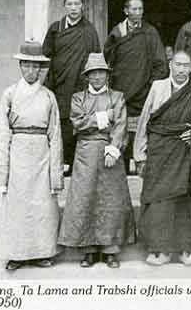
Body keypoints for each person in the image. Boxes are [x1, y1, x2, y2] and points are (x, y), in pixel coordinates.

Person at [134, 51, 191, 266]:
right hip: (161, 151)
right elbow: (145, 121)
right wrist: (139, 154)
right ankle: (160, 249)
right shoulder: (157, 87)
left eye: (185, 65)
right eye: (177, 64)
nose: (181, 70)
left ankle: (187, 249)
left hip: (188, 153)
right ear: (171, 65)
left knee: (189, 200)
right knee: (160, 200)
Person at [57, 53, 136, 268]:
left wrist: (113, 150)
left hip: (111, 152)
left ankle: (110, 249)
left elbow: (120, 124)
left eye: (101, 72)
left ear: (107, 75)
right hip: (85, 153)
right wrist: (104, 117)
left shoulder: (117, 97)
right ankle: (89, 249)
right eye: (93, 73)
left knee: (111, 200)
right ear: (87, 76)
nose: (97, 77)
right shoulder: (78, 98)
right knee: (86, 198)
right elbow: (78, 123)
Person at [0, 41, 63, 271]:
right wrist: (0, 177)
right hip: (19, 154)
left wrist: (56, 175)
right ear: (21, 67)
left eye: (36, 67)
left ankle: (42, 252)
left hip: (42, 153)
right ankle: (16, 253)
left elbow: (55, 134)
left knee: (42, 204)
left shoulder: (48, 96)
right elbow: (2, 135)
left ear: (41, 69)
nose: (32, 71)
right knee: (18, 204)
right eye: (27, 66)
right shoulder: (10, 94)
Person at [104, 0, 169, 174]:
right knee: (120, 137)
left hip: (144, 95)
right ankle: (120, 177)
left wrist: (149, 87)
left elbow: (161, 64)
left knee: (142, 138)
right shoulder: (117, 33)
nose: (138, 13)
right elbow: (108, 62)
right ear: (126, 11)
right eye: (134, 9)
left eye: (141, 9)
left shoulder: (150, 32)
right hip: (121, 94)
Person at [43, 0, 101, 176]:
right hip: (59, 83)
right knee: (60, 124)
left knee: (78, 124)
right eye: (70, 4)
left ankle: (76, 164)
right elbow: (47, 55)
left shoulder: (89, 30)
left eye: (77, 4)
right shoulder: (55, 28)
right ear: (64, 6)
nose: (74, 8)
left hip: (80, 85)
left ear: (82, 5)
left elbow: (95, 59)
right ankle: (61, 162)